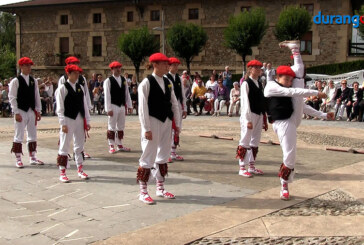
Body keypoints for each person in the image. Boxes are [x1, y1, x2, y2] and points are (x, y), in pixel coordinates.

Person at [264, 40, 334, 200]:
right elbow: (294, 91)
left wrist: (323, 115)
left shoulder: (289, 88)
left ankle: (295, 48)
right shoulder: (271, 86)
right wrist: (316, 93)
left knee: (299, 72)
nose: (289, 82)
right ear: (277, 77)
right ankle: (284, 184)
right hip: (282, 122)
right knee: (290, 154)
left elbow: (302, 107)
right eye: (286, 79)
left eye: (290, 80)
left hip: (293, 120)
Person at [137, 53, 181, 204]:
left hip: (166, 121)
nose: (167, 66)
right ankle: (143, 191)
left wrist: (177, 123)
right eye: (164, 63)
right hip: (152, 120)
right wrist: (146, 128)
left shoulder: (168, 81)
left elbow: (174, 103)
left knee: (163, 153)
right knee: (149, 153)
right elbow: (142, 108)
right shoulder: (146, 83)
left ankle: (160, 187)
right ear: (155, 65)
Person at [56, 64, 91, 182]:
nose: (77, 75)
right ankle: (62, 171)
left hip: (79, 119)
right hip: (68, 118)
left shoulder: (80, 87)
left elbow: (84, 105)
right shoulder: (62, 88)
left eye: (78, 73)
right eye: (75, 73)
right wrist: (62, 123)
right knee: (64, 144)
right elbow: (60, 107)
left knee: (79, 144)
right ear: (68, 74)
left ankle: (80, 169)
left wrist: (87, 120)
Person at [9, 57, 44, 168]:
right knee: (19, 134)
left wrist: (38, 110)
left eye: (30, 65)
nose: (29, 68)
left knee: (32, 134)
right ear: (21, 67)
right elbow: (12, 97)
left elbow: (36, 96)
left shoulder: (33, 80)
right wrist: (16, 112)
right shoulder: (16, 81)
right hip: (21, 110)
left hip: (31, 110)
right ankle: (18, 158)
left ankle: (32, 157)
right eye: (27, 65)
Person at [236, 59, 267, 178]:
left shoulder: (259, 83)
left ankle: (252, 166)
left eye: (259, 68)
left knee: (255, 140)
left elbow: (262, 101)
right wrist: (248, 119)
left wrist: (263, 117)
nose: (259, 70)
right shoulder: (246, 83)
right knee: (245, 139)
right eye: (256, 68)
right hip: (249, 114)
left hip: (258, 114)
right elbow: (245, 102)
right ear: (250, 69)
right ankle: (242, 167)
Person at [103, 61, 133, 154]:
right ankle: (111, 145)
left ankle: (119, 144)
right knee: (111, 125)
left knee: (121, 125)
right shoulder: (108, 80)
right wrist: (108, 108)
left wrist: (129, 105)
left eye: (119, 68)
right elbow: (107, 95)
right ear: (112, 70)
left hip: (121, 105)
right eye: (116, 68)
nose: (118, 70)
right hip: (113, 104)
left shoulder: (123, 79)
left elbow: (126, 93)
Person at [166, 57, 187, 162]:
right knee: (168, 129)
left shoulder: (179, 78)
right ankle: (167, 152)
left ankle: (173, 151)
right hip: (169, 107)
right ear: (169, 66)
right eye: (174, 65)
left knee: (177, 129)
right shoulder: (166, 78)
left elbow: (183, 94)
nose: (176, 67)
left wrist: (185, 108)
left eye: (177, 65)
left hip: (177, 105)